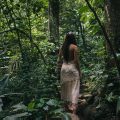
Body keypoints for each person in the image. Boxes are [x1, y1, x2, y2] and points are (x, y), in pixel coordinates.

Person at [57, 32, 81, 115]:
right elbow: (76, 61)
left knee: (65, 87)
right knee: (75, 88)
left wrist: (59, 68)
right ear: (73, 38)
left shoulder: (62, 47)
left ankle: (65, 107)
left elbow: (59, 59)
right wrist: (80, 71)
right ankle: (74, 110)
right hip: (72, 68)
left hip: (64, 68)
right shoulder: (74, 47)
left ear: (66, 38)